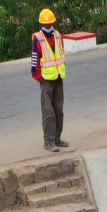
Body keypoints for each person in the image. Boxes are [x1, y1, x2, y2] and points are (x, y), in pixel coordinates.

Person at [32, 9, 69, 152]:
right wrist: (39, 77)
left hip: (58, 77)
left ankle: (57, 138)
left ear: (53, 22)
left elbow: (61, 53)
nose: (48, 26)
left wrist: (61, 71)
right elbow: (35, 60)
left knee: (59, 110)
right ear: (42, 23)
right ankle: (49, 142)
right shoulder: (38, 38)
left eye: (50, 23)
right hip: (46, 80)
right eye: (45, 24)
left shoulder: (58, 35)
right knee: (48, 112)